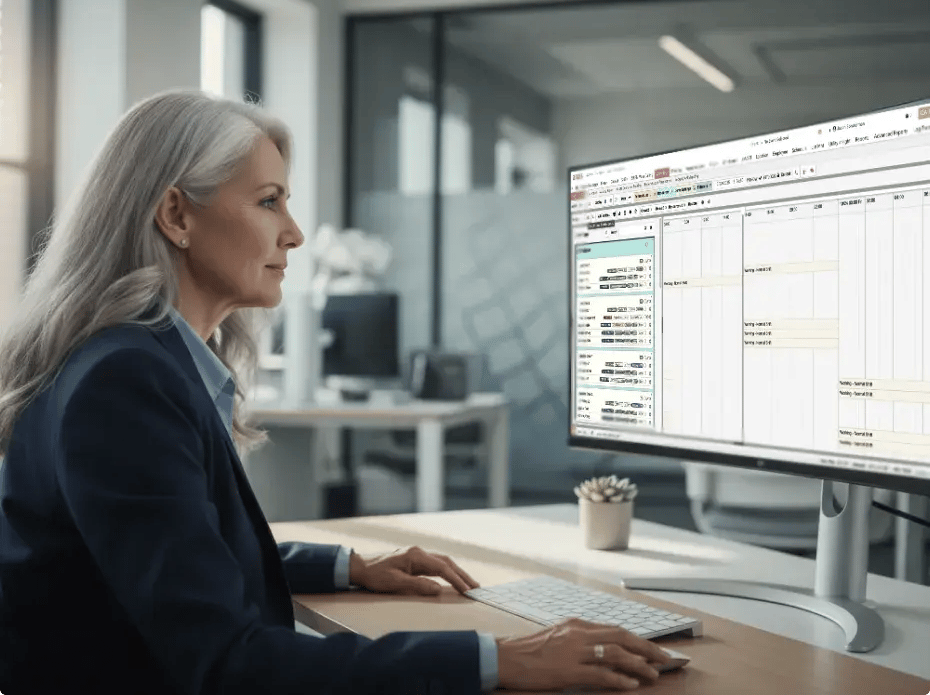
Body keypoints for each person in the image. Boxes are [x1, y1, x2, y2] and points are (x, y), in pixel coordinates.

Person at [0, 89, 671, 694]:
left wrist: (350, 566)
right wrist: (498, 660)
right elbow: (225, 661)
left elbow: (176, 557)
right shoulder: (125, 383)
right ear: (176, 214)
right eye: (269, 201)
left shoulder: (133, 362)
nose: (292, 233)